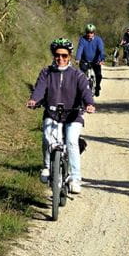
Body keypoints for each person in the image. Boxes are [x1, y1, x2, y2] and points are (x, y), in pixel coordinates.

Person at [27, 38, 96, 194]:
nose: (61, 59)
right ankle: (46, 167)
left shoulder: (77, 75)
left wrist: (89, 104)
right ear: (54, 55)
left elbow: (85, 91)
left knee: (71, 141)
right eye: (57, 55)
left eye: (64, 56)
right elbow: (39, 89)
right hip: (52, 113)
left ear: (70, 56)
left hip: (73, 115)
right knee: (47, 138)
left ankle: (75, 178)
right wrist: (34, 100)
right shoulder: (46, 72)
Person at [75, 23, 105, 97]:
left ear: (94, 33)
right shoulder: (82, 39)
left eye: (91, 33)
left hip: (96, 61)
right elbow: (80, 49)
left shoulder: (98, 40)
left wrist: (102, 59)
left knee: (99, 75)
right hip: (84, 60)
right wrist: (78, 59)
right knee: (81, 76)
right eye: (88, 32)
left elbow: (101, 50)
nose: (89, 34)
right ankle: (82, 90)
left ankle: (97, 86)